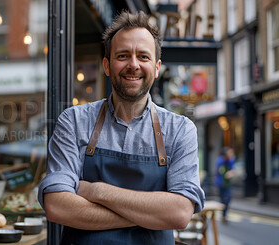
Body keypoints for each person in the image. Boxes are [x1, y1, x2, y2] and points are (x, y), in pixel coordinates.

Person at [38, 10, 205, 244]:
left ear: (156, 68)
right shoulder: (74, 121)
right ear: (107, 65)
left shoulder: (180, 129)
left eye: (143, 57)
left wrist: (96, 192)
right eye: (123, 55)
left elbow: (178, 214)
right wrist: (152, 213)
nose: (133, 65)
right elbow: (57, 207)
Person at [215, 147, 236, 223]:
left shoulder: (231, 160)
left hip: (227, 184)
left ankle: (224, 214)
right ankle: (223, 215)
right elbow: (219, 171)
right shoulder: (220, 161)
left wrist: (231, 173)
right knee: (222, 200)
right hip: (220, 183)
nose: (231, 154)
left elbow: (233, 170)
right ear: (225, 154)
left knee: (228, 198)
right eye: (230, 153)